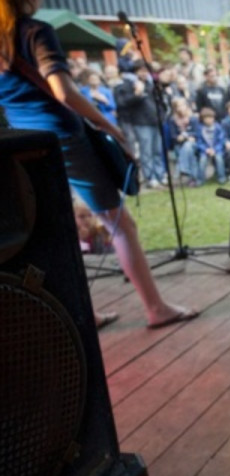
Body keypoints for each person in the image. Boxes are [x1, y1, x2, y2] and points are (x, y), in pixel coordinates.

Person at [0, 0, 197, 329]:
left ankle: (82, 315)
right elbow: (63, 92)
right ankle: (156, 308)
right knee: (118, 222)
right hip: (63, 137)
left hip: (26, 144)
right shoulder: (35, 32)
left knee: (58, 232)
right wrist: (107, 125)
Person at [114, 60, 165, 188]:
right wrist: (137, 94)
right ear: (135, 72)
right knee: (146, 151)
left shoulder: (151, 84)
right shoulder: (128, 85)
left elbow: (159, 102)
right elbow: (122, 103)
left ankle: (160, 174)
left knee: (157, 150)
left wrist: (162, 115)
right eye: (141, 71)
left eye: (146, 71)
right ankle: (150, 177)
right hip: (141, 122)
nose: (144, 73)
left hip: (155, 121)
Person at [195, 107, 227, 185]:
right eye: (206, 118)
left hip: (216, 149)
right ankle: (200, 180)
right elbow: (198, 142)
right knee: (202, 160)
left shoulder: (218, 128)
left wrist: (215, 149)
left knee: (219, 159)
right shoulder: (200, 129)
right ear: (203, 119)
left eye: (210, 118)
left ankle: (222, 178)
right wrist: (206, 149)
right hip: (205, 150)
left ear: (213, 118)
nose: (209, 120)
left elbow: (221, 141)